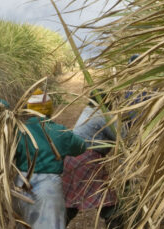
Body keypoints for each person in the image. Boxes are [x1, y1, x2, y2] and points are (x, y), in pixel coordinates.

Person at [14, 89, 87, 229]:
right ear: (49, 109)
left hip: (21, 186)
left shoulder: (20, 131)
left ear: (29, 109)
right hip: (49, 189)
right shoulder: (60, 132)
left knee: (24, 224)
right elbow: (81, 147)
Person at [63, 93, 122, 228]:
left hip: (71, 159)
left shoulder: (87, 111)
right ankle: (117, 224)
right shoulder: (103, 115)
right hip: (87, 161)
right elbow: (122, 137)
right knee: (108, 201)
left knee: (71, 200)